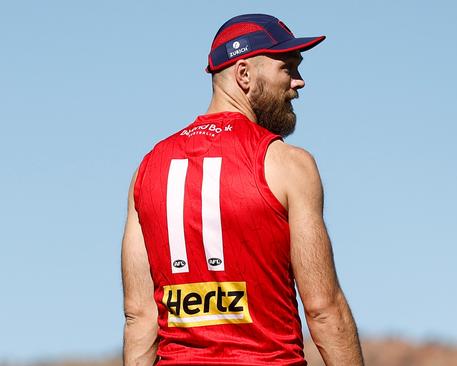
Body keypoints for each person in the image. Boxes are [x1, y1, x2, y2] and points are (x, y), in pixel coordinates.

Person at [121, 13, 364, 365]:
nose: (299, 82)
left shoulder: (148, 170)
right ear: (244, 74)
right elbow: (324, 309)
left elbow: (139, 317)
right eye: (287, 67)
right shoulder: (288, 165)